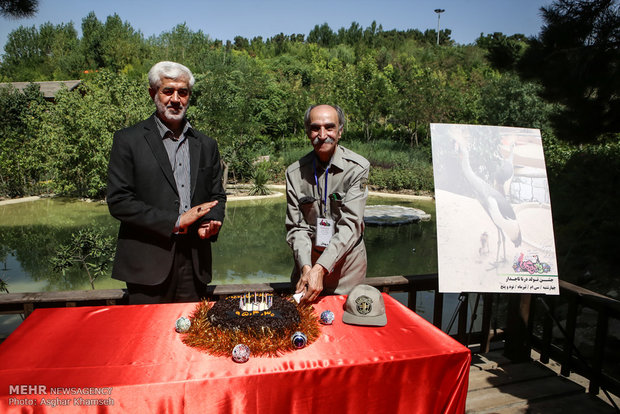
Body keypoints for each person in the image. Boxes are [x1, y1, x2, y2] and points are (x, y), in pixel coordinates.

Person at [107, 61, 226, 304]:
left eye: (182, 92)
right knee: (147, 338)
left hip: (194, 264)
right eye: (168, 91)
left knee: (191, 337)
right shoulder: (128, 140)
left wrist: (212, 222)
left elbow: (217, 195)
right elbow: (119, 201)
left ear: (189, 96)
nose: (175, 99)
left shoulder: (206, 144)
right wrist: (176, 221)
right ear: (153, 93)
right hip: (148, 265)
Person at [285, 104, 370, 303]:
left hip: (347, 270)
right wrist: (306, 268)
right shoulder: (295, 173)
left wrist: (321, 268)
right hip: (307, 265)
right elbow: (296, 227)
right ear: (307, 132)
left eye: (329, 127)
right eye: (315, 128)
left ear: (340, 132)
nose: (322, 135)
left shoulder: (357, 168)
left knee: (345, 328)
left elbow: (350, 226)